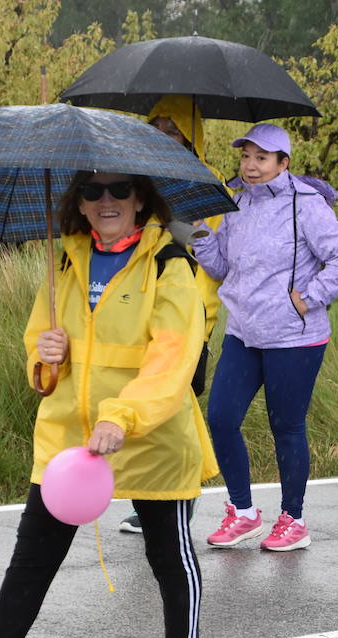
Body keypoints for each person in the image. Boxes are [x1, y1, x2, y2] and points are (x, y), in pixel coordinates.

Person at [0, 171, 217, 638]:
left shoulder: (169, 264)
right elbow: (41, 356)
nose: (107, 201)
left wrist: (122, 417)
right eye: (93, 191)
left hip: (149, 436)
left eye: (120, 190)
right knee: (32, 556)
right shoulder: (63, 264)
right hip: (70, 442)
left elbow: (172, 358)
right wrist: (45, 355)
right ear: (77, 202)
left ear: (141, 199)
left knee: (168, 555)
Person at [190, 123, 338, 552]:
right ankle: (244, 513)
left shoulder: (308, 205)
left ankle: (293, 520)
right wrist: (195, 232)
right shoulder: (235, 202)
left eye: (261, 158)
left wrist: (308, 300)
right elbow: (221, 268)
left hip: (294, 337)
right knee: (222, 418)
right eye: (245, 156)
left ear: (284, 163)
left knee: (286, 427)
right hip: (244, 332)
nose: (250, 165)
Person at [119, 96, 226, 535]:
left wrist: (198, 320)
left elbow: (213, 256)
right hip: (140, 311)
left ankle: (178, 504)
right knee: (144, 403)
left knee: (177, 411)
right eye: (156, 125)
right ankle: (148, 503)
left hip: (189, 313)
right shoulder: (139, 180)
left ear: (191, 135)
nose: (163, 134)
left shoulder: (208, 184)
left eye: (172, 128)